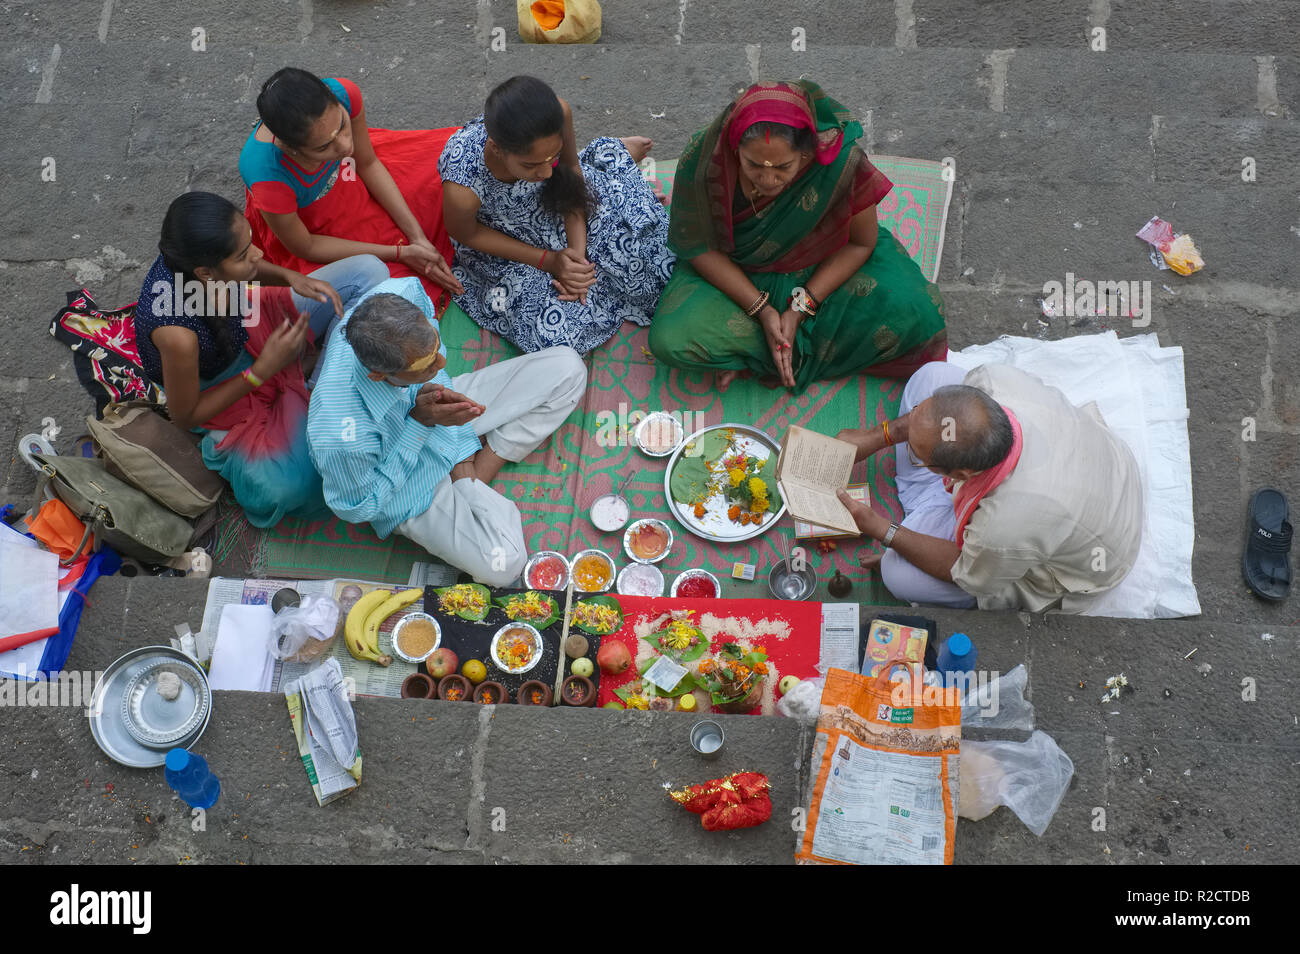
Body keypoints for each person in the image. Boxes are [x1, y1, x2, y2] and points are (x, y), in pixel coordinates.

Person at [649, 80, 948, 392]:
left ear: (807, 155)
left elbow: (861, 244)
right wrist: (762, 310)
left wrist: (800, 308)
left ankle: (756, 358)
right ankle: (777, 351)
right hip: (737, 272)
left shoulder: (841, 162)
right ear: (735, 148)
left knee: (918, 314)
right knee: (670, 340)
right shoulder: (705, 155)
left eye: (782, 167)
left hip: (824, 263)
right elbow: (697, 246)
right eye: (753, 165)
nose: (767, 179)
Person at [307, 277, 587, 586]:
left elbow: (435, 363)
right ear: (379, 375)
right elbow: (362, 506)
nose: (441, 361)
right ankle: (467, 483)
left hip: (429, 399)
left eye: (436, 348)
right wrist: (420, 424)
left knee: (568, 368)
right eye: (427, 363)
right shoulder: (341, 437)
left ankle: (479, 465)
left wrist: (435, 391)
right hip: (410, 483)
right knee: (504, 564)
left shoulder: (403, 292)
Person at [133, 192, 389, 528]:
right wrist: (262, 371)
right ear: (206, 273)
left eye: (251, 242)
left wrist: (289, 278)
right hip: (224, 389)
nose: (258, 254)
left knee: (370, 272)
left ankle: (315, 387)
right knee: (287, 489)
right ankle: (309, 380)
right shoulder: (178, 335)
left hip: (254, 325)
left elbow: (249, 270)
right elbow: (184, 416)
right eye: (243, 254)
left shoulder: (199, 263)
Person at [834, 361, 1144, 613]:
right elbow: (936, 417)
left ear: (961, 474)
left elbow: (966, 571)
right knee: (932, 376)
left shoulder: (1007, 525)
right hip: (1098, 469)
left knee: (896, 573)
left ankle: (927, 517)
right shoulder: (995, 381)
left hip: (1098, 544)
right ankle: (931, 514)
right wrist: (877, 436)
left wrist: (884, 531)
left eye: (920, 457)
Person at [439, 74, 674, 354]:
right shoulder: (462, 187)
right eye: (531, 165)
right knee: (557, 339)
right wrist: (549, 262)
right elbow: (466, 233)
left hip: (562, 200)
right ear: (497, 150)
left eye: (553, 156)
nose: (546, 171)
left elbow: (569, 172)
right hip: (505, 240)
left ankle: (608, 156)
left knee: (660, 269)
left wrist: (578, 256)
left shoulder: (559, 114)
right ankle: (614, 158)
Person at [240, 68, 464, 307]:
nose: (346, 146)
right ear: (291, 149)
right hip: (313, 228)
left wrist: (417, 238)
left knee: (454, 167)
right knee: (383, 291)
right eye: (323, 147)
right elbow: (307, 245)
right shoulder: (268, 177)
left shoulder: (343, 93)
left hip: (351, 177)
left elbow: (366, 162)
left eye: (343, 126)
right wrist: (402, 254)